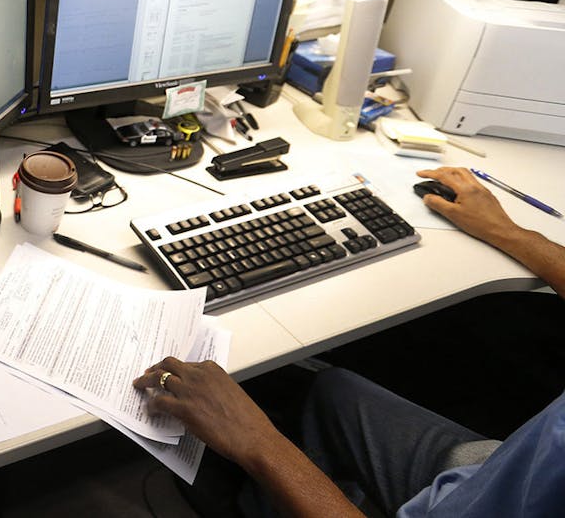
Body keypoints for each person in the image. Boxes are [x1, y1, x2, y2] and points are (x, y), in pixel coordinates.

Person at [133, 166, 565, 517]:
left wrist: (256, 442)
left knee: (271, 426)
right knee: (334, 390)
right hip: (496, 468)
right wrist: (511, 233)